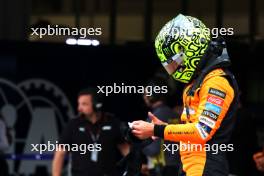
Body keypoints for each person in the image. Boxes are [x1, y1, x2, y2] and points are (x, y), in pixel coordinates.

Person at [131, 14, 239, 176]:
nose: (174, 69)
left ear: (190, 50)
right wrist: (160, 128)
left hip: (206, 167)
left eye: (175, 62)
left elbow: (202, 131)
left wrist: (157, 129)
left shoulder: (216, 82)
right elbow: (192, 131)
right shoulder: (199, 82)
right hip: (193, 167)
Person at [52, 88, 129, 176]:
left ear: (97, 105)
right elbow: (60, 153)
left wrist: (138, 165)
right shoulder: (73, 125)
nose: (79, 108)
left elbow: (125, 149)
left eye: (84, 104)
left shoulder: (113, 123)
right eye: (79, 104)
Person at [141, 78, 180, 176]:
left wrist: (137, 141)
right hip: (178, 166)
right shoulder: (175, 114)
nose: (144, 96)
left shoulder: (154, 117)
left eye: (146, 93)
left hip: (162, 169)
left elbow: (153, 150)